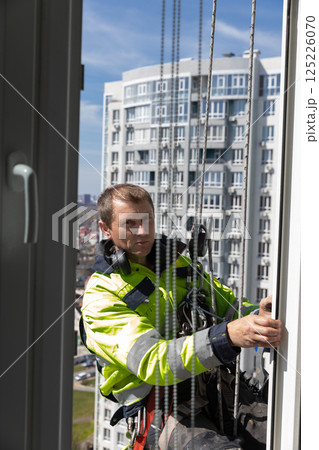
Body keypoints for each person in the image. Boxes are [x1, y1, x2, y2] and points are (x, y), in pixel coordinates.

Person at [80, 184, 282, 450]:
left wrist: (259, 315)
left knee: (285, 430)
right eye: (130, 224)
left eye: (147, 221)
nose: (142, 232)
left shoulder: (179, 266)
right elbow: (155, 362)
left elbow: (229, 310)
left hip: (213, 385)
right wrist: (229, 337)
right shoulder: (101, 296)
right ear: (106, 229)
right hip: (161, 407)